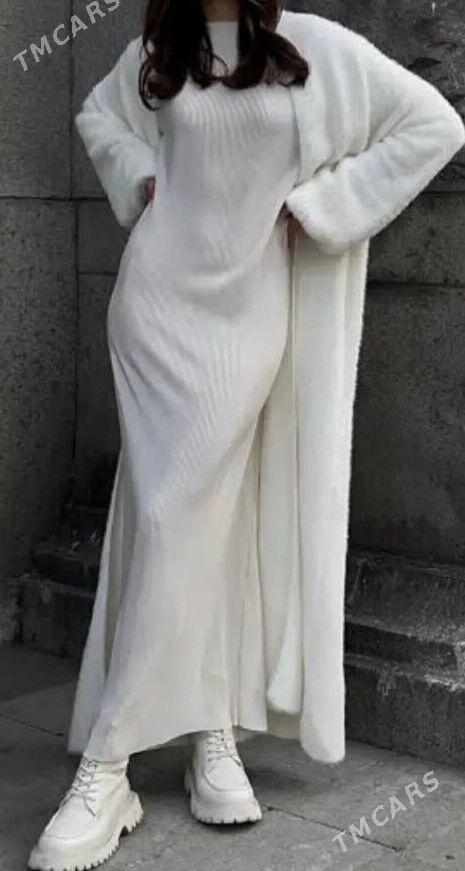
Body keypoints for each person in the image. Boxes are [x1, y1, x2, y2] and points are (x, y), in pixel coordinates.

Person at [28, 1, 465, 869]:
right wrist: (140, 176)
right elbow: (97, 117)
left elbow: (434, 124)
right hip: (153, 311)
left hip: (248, 320)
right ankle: (177, 746)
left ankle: (134, 751)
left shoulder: (313, 47)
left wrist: (321, 206)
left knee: (182, 518)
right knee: (181, 519)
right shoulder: (158, 50)